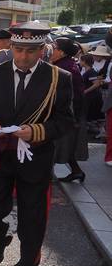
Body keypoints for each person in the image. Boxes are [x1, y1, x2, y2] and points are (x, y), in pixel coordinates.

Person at [0, 21, 74, 266]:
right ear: (11, 47)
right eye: (18, 50)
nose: (23, 57)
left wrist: (37, 131)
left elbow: (66, 120)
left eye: (31, 51)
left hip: (35, 157)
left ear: (43, 50)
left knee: (33, 219)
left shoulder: (59, 78)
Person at [51, 38, 87, 181]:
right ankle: (77, 171)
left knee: (59, 143)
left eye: (54, 48)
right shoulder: (63, 64)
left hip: (68, 113)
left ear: (61, 52)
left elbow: (76, 95)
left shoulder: (66, 68)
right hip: (68, 113)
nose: (51, 51)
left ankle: (47, 174)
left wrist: (75, 118)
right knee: (65, 145)